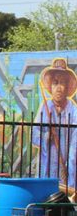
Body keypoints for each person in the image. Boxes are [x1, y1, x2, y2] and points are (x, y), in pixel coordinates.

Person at [31, 58, 77, 192]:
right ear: (50, 86)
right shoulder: (45, 108)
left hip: (67, 168)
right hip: (47, 166)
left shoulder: (73, 110)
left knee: (65, 200)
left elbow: (75, 142)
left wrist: (69, 166)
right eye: (55, 83)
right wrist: (46, 136)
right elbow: (34, 134)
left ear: (68, 87)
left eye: (62, 83)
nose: (58, 88)